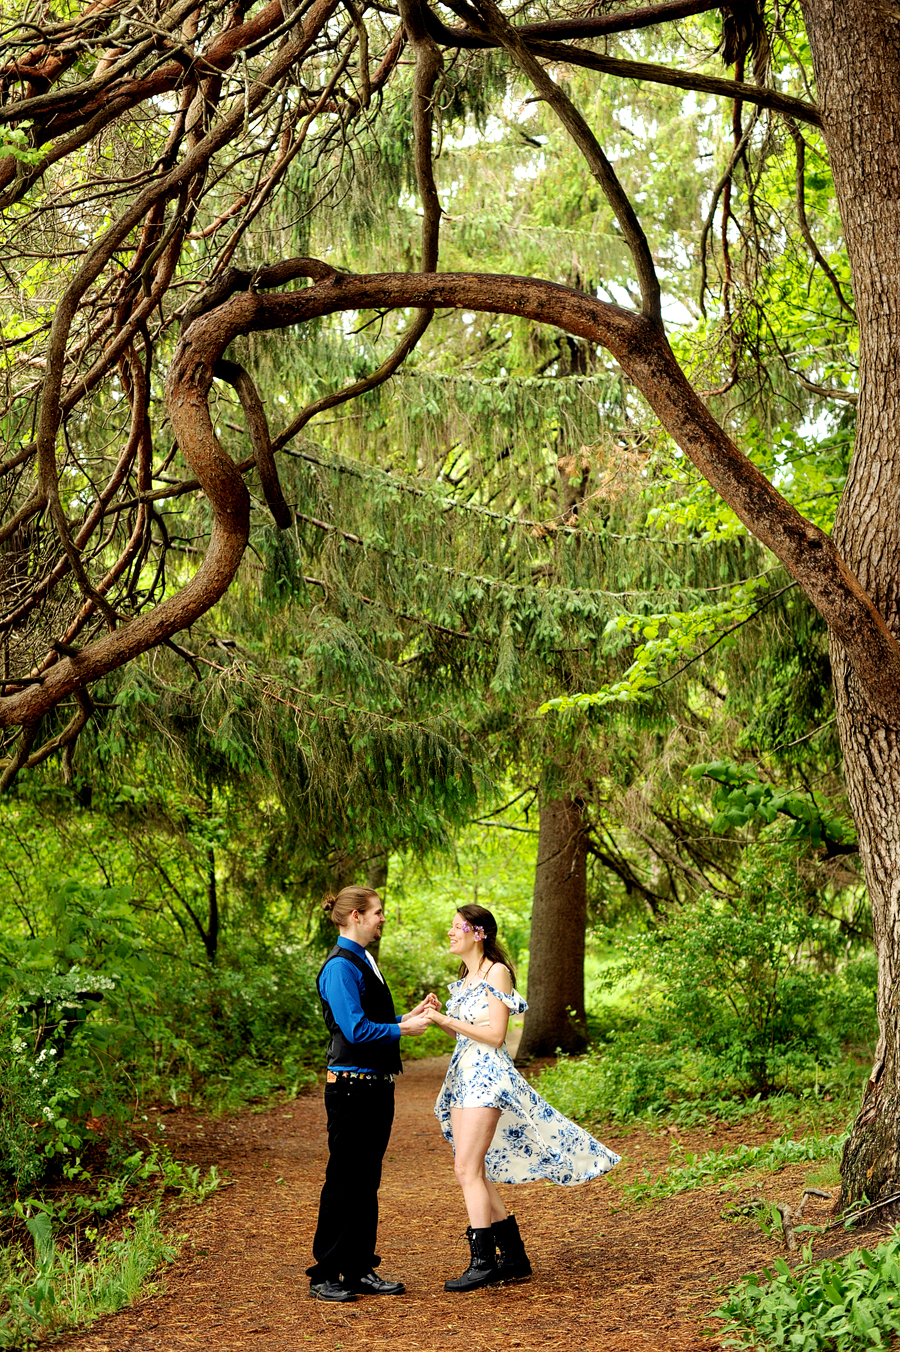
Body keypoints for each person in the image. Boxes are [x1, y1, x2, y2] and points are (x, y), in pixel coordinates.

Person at [424, 903, 621, 1292]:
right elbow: (465, 1034)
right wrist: (438, 1017)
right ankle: (513, 1258)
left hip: (488, 1078)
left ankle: (482, 1262)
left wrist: (447, 1019)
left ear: (478, 933)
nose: (449, 933)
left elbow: (497, 1035)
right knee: (472, 1169)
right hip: (464, 1077)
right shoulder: (464, 978)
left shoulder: (497, 972)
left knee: (467, 1169)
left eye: (456, 927)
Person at [306, 885, 437, 1303]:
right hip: (351, 1090)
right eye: (378, 912)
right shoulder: (340, 967)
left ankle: (359, 1269)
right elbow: (354, 1030)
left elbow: (370, 1018)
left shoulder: (364, 960)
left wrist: (407, 1017)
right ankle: (325, 1273)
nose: (383, 918)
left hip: (375, 1088)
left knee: (366, 1181)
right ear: (355, 916)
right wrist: (403, 1030)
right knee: (345, 1181)